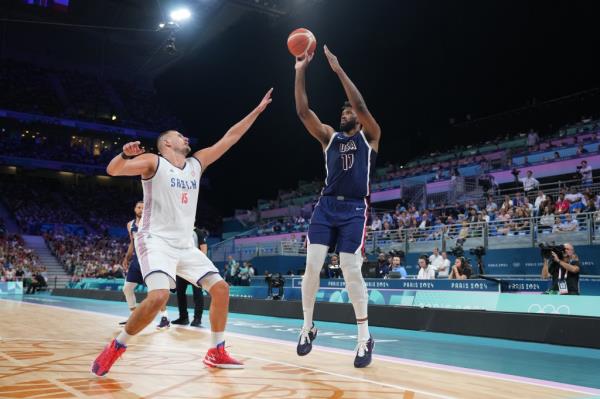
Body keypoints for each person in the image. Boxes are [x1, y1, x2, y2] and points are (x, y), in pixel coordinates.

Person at [91, 88, 273, 376]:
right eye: (179, 135)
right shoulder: (154, 162)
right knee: (159, 297)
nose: (185, 137)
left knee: (221, 289)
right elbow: (113, 170)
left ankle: (216, 350)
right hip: (156, 241)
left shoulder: (195, 164)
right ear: (166, 144)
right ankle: (117, 346)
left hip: (184, 244)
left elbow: (231, 137)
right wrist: (123, 154)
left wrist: (257, 110)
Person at [294, 45, 381, 367]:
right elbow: (304, 112)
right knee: (312, 265)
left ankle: (364, 338)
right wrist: (300, 70)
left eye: (349, 113)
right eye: (342, 113)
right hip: (326, 206)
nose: (345, 114)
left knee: (350, 268)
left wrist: (338, 70)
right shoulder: (330, 137)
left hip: (355, 210)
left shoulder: (370, 137)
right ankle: (307, 327)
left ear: (358, 118)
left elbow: (359, 103)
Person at [119, 201, 170, 329]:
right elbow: (132, 242)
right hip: (137, 261)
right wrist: (127, 258)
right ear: (134, 209)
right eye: (139, 207)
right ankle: (134, 315)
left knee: (155, 290)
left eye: (143, 207)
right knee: (127, 288)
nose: (141, 209)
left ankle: (165, 318)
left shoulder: (152, 223)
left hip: (151, 260)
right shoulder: (130, 225)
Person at [172, 226, 208, 327]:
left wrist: (199, 264)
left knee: (197, 293)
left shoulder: (199, 232)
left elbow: (204, 250)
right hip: (181, 268)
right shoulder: (180, 232)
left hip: (195, 268)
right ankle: (183, 318)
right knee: (180, 293)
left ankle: (197, 319)